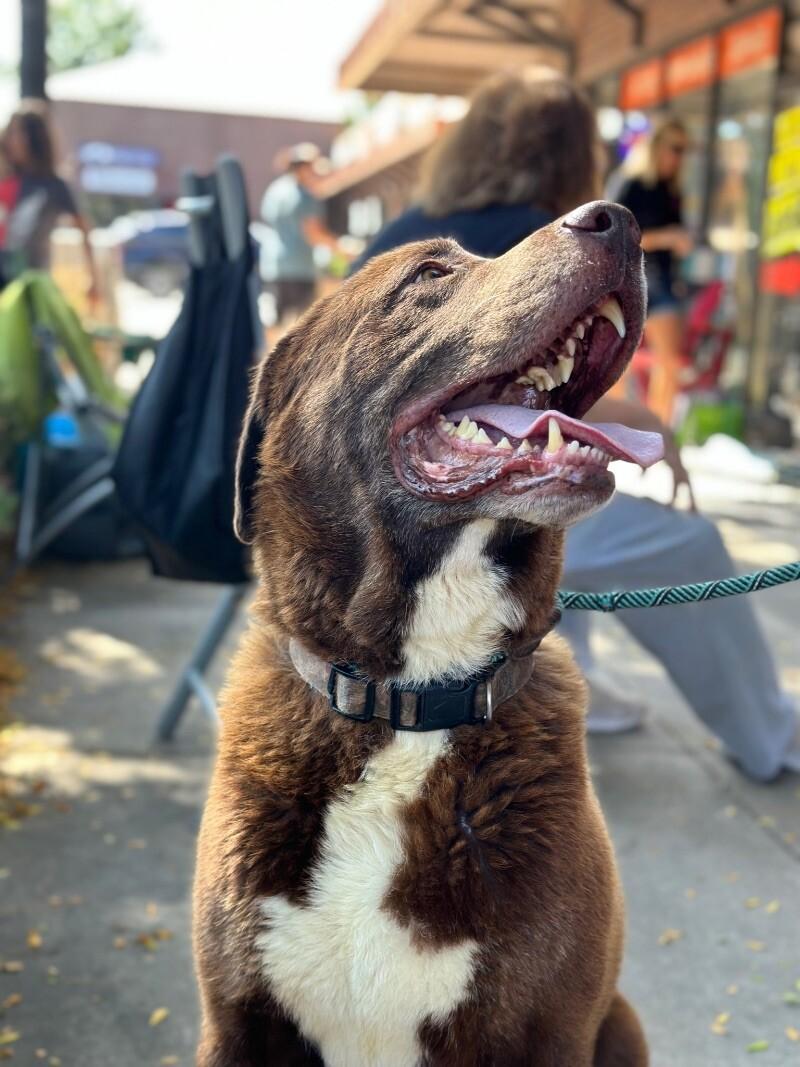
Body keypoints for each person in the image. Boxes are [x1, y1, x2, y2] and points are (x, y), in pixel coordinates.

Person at [354, 67, 800, 782]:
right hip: (452, 520)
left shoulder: (409, 232)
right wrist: (650, 422)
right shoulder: (532, 243)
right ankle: (771, 734)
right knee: (681, 537)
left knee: (559, 473)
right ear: (572, 156)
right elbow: (532, 393)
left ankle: (571, 679)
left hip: (376, 503)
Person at [608, 117, 693, 424]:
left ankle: (659, 432)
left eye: (685, 150)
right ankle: (613, 429)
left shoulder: (672, 191)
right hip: (629, 278)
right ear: (656, 147)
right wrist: (665, 238)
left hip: (663, 280)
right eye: (675, 148)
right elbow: (612, 233)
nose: (679, 157)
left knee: (670, 362)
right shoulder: (630, 184)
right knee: (616, 362)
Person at [0, 100, 98, 301]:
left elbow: (83, 229)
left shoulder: (53, 186)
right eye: (10, 133)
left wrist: (93, 278)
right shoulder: (7, 179)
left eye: (18, 133)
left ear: (35, 139)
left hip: (30, 278)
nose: (12, 140)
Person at [259, 143, 341, 327]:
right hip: (299, 268)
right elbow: (314, 235)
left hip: (274, 266)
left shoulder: (275, 190)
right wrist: (344, 249)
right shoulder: (305, 197)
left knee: (278, 324)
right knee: (301, 329)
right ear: (304, 168)